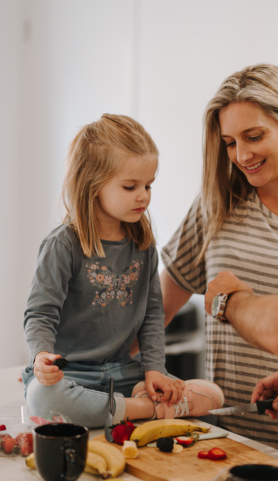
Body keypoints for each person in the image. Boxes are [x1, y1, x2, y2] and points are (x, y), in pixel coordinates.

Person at [160, 63, 278, 450]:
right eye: (230, 142)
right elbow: (155, 313)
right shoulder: (215, 206)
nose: (241, 154)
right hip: (223, 442)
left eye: (254, 136)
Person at [22, 114, 224, 430]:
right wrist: (41, 357)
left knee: (213, 393)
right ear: (92, 184)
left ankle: (123, 407)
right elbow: (39, 314)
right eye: (130, 186)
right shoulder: (63, 245)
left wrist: (154, 370)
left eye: (148, 185)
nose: (143, 195)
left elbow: (153, 316)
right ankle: (144, 408)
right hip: (71, 373)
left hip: (122, 371)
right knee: (42, 397)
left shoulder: (142, 245)